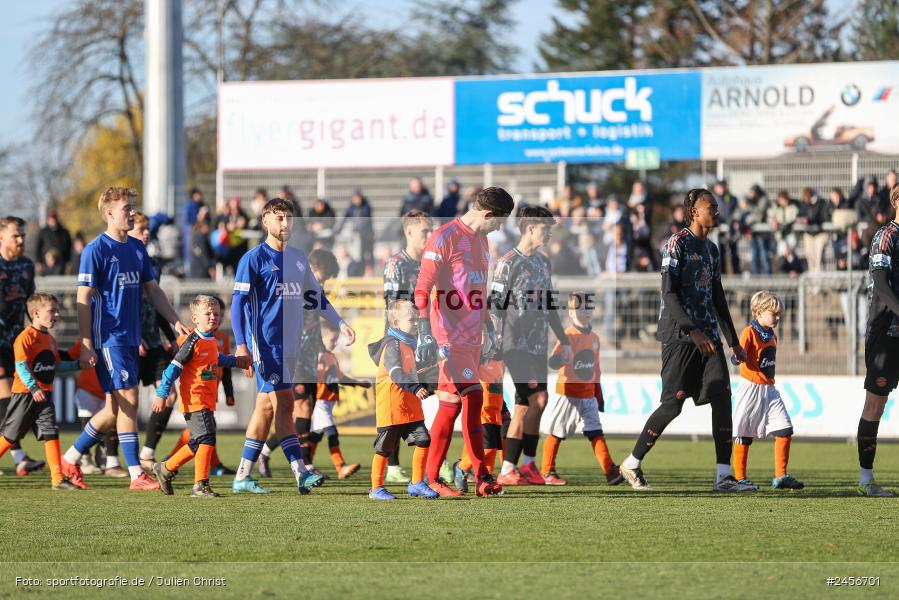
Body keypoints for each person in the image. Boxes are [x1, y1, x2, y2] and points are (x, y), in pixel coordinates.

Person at [618, 189, 749, 492]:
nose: (716, 212)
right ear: (694, 212)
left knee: (722, 397)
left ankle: (723, 475)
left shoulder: (713, 250)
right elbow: (669, 294)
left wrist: (733, 341)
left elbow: (718, 297)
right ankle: (632, 463)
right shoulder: (676, 244)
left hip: (710, 338)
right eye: (711, 207)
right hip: (680, 336)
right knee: (672, 405)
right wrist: (693, 330)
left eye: (716, 207)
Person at [60, 187, 189, 490]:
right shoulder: (96, 249)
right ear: (108, 214)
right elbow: (83, 298)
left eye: (133, 207)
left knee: (113, 410)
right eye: (126, 208)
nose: (132, 212)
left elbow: (152, 290)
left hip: (131, 338)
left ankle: (70, 457)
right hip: (109, 338)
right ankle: (136, 474)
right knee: (129, 400)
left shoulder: (136, 248)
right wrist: (87, 342)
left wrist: (175, 321)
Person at [230, 198, 355, 495]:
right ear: (265, 222)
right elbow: (238, 304)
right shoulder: (253, 259)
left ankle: (243, 475)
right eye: (279, 218)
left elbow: (317, 298)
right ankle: (300, 471)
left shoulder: (298, 258)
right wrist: (241, 345)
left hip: (290, 348)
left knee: (266, 409)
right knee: (284, 405)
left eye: (289, 218)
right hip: (265, 346)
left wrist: (339, 323)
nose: (285, 224)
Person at [413, 186, 514, 497]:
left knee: (451, 404)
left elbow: (477, 293)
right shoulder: (445, 238)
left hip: (473, 338)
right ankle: (482, 475)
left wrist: (489, 329)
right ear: (487, 214)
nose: (498, 229)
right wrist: (425, 332)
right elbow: (421, 288)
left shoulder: (481, 241)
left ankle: (429, 479)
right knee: (473, 397)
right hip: (448, 337)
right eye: (498, 222)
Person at [491, 205, 572, 487]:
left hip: (538, 344)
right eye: (545, 228)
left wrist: (562, 337)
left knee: (540, 401)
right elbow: (495, 305)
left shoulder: (542, 263)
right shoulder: (507, 263)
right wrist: (495, 338)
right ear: (530, 228)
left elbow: (549, 304)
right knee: (525, 402)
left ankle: (528, 465)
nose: (549, 233)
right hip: (514, 344)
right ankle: (507, 469)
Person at [151, 295, 250, 498]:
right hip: (194, 399)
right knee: (207, 439)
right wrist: (161, 394)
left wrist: (236, 361)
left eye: (216, 313)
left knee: (198, 442)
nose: (213, 317)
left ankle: (165, 469)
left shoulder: (212, 339)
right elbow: (172, 369)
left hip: (206, 400)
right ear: (195, 318)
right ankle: (200, 485)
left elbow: (216, 359)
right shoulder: (191, 342)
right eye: (208, 314)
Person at [542, 291, 622, 486]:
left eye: (589, 306)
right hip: (568, 393)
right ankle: (547, 471)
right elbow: (553, 362)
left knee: (595, 432)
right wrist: (560, 359)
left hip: (588, 395)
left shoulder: (595, 337)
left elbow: (596, 368)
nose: (586, 310)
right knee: (557, 433)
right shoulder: (568, 336)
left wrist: (598, 393)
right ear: (570, 313)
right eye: (580, 307)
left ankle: (609, 471)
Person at [0, 293, 80, 490]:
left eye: (57, 311)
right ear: (36, 313)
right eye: (52, 311)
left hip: (44, 395)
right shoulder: (25, 338)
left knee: (50, 433)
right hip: (25, 394)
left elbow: (56, 366)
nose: (57, 315)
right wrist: (33, 387)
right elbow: (21, 366)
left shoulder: (50, 340)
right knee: (11, 436)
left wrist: (79, 365)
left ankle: (57, 479)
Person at [732, 291, 804, 491]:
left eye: (779, 314)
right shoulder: (749, 332)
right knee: (743, 433)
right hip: (750, 388)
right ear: (759, 312)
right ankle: (739, 478)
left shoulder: (772, 335)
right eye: (774, 313)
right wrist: (736, 358)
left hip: (769, 388)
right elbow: (738, 353)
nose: (778, 317)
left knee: (785, 428)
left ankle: (780, 476)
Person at [381, 209, 434, 483]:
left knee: (422, 402)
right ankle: (391, 468)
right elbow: (395, 308)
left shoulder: (431, 263)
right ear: (409, 231)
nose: (429, 235)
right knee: (398, 403)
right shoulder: (396, 265)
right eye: (425, 230)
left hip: (425, 341)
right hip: (400, 342)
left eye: (431, 230)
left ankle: (433, 463)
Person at [367, 300, 438, 500]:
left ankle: (416, 483)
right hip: (392, 406)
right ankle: (376, 488)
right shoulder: (392, 345)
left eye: (417, 319)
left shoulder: (408, 344)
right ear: (396, 323)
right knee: (385, 448)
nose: (416, 323)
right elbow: (396, 373)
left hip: (409, 405)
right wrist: (415, 387)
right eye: (411, 320)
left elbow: (414, 371)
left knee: (423, 439)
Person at [856, 184, 899, 496]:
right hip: (885, 333)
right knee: (876, 404)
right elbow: (881, 284)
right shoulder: (886, 236)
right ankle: (866, 480)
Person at [0, 216, 45, 476]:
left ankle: (19, 458)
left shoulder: (27, 265)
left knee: (13, 400)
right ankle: (19, 457)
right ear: (2, 237)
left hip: (17, 342)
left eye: (23, 235)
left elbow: (31, 304)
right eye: (15, 235)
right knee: (8, 400)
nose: (20, 240)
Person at [308, 320, 369, 479]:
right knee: (332, 433)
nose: (334, 343)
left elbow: (340, 377)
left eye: (336, 340)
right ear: (321, 339)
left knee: (316, 435)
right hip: (320, 401)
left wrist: (358, 383)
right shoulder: (317, 357)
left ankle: (307, 465)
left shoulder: (332, 357)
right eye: (332, 340)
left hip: (328, 403)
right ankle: (340, 466)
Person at [337, 190, 374, 273]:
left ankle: (368, 271)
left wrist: (358, 229)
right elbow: (344, 218)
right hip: (357, 236)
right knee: (358, 256)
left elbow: (365, 221)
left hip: (366, 236)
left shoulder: (366, 207)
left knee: (367, 255)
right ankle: (360, 272)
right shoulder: (351, 207)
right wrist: (337, 230)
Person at [182, 188, 207, 268]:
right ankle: (188, 268)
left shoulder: (202, 205)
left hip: (201, 231)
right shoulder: (190, 206)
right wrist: (198, 217)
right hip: (191, 230)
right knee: (190, 250)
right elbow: (187, 219)